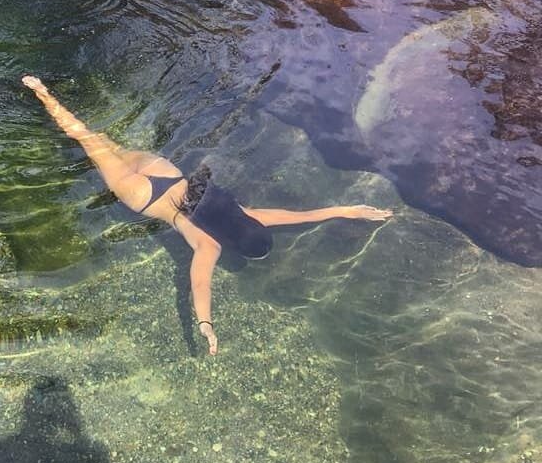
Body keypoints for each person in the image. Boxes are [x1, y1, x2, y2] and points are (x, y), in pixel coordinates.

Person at [22, 76, 392, 355]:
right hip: (142, 196)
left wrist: (349, 209)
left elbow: (299, 216)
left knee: (101, 141)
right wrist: (206, 324)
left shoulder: (249, 214)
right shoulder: (209, 246)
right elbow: (200, 285)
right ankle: (40, 92)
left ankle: (46, 92)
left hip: (165, 172)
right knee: (86, 141)